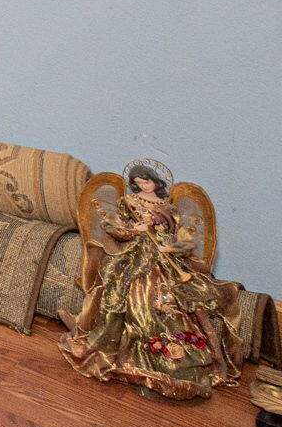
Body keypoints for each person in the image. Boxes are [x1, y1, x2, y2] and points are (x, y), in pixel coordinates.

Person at [59, 159, 244, 400]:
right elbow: (114, 227)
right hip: (135, 259)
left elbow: (187, 241)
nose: (143, 186)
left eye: (145, 181)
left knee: (174, 303)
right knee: (133, 298)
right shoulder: (128, 203)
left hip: (166, 262)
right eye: (137, 183)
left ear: (155, 182)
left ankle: (178, 359)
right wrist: (136, 228)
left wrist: (171, 248)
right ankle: (136, 351)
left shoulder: (170, 209)